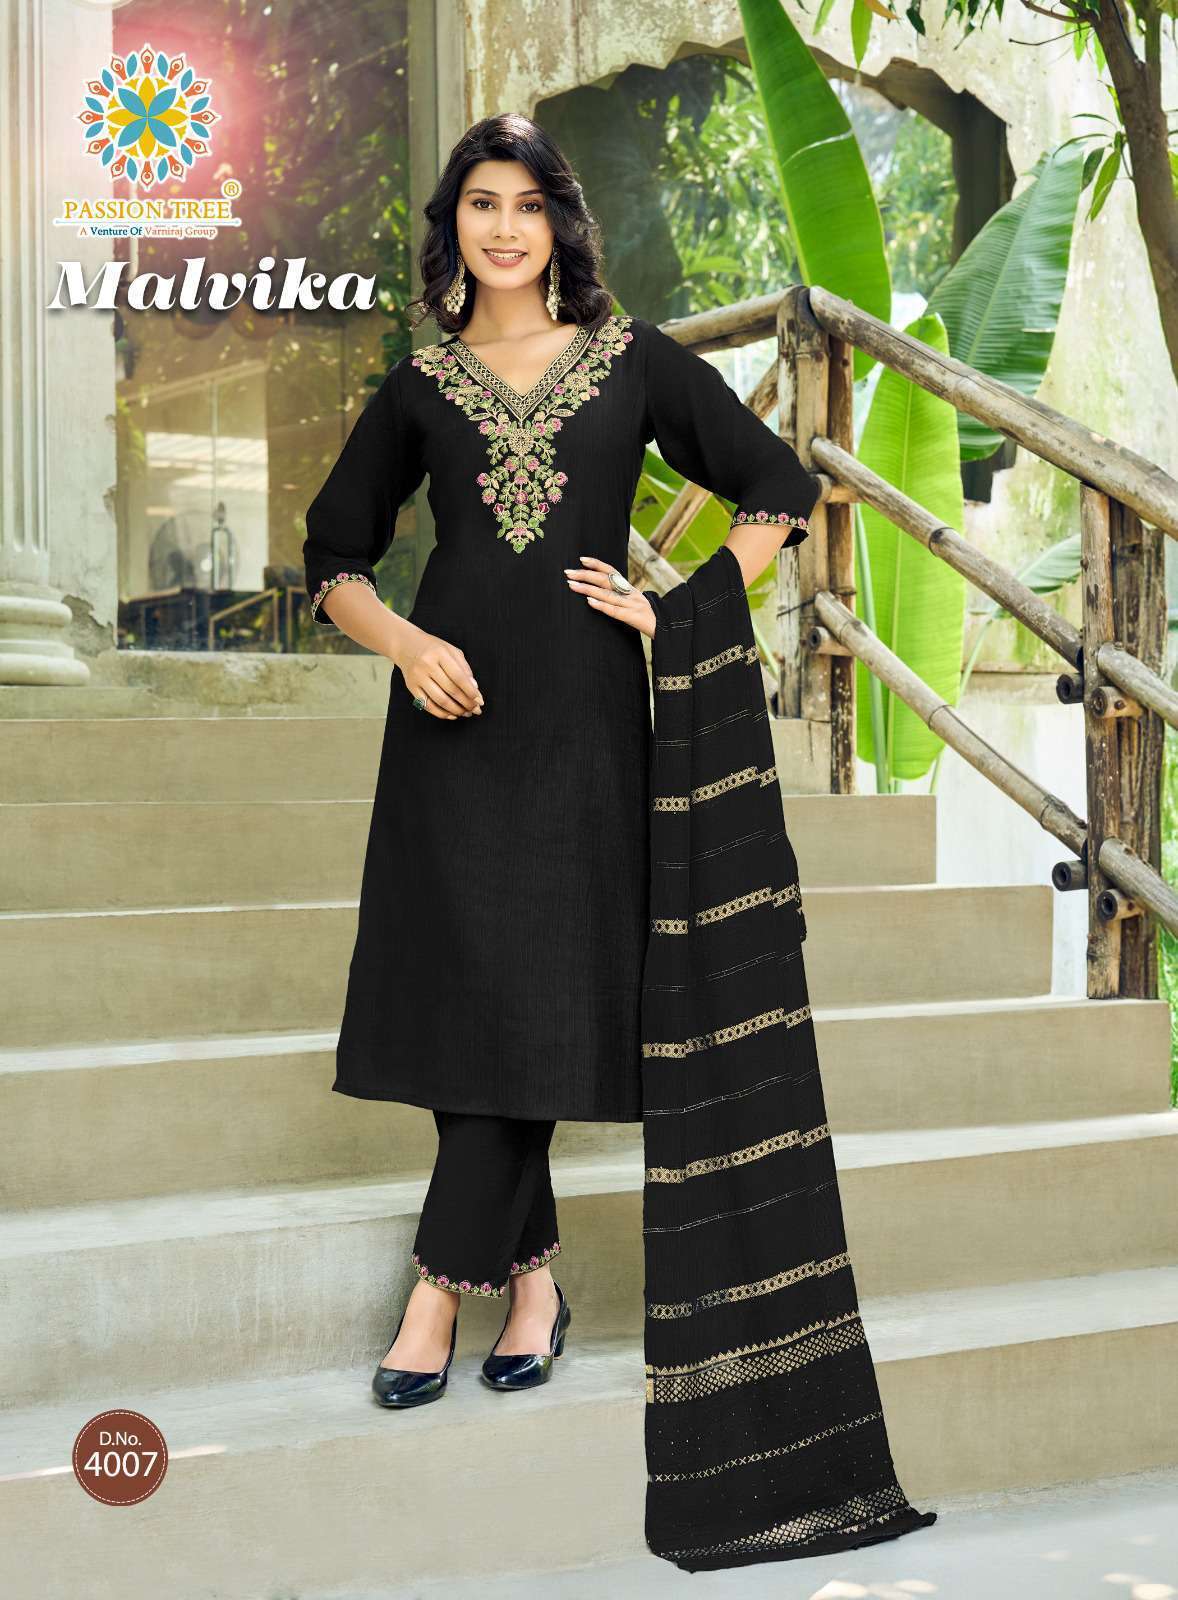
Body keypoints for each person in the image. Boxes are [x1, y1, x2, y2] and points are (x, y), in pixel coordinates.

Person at [301, 112, 818, 1410]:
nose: (505, 227)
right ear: (454, 225)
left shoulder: (631, 362)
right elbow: (333, 558)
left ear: (559, 224)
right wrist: (406, 644)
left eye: (528, 204)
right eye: (482, 203)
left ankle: (436, 1293)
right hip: (450, 728)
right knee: (478, 998)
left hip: (583, 727)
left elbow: (774, 487)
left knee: (532, 992)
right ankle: (529, 1287)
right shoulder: (422, 386)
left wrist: (678, 605)